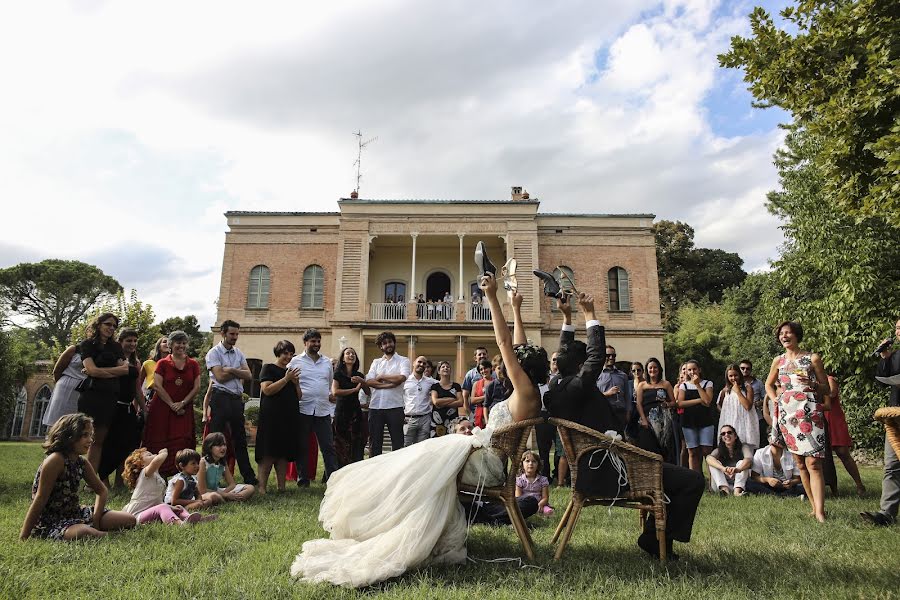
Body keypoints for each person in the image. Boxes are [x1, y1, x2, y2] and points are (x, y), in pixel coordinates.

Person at [290, 266, 548, 587]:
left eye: (515, 362)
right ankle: (391, 520)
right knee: (418, 456)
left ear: (523, 369)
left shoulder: (524, 391)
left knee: (417, 460)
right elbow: (518, 346)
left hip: (487, 467)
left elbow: (506, 343)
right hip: (483, 457)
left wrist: (493, 299)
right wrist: (518, 309)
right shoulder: (529, 390)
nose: (508, 361)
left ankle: (396, 527)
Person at [545, 294, 704, 561]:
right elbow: (595, 357)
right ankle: (656, 539)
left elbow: (567, 355)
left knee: (676, 477)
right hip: (612, 474)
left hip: (591, 470)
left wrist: (567, 319)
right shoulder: (578, 386)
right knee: (693, 480)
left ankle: (654, 534)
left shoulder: (555, 389)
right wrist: (590, 314)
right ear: (580, 366)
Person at [20, 413, 136, 540]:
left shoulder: (82, 462)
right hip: (51, 521)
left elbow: (101, 490)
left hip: (75, 513)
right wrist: (24, 536)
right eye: (85, 435)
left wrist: (96, 520)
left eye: (91, 435)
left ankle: (94, 531)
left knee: (129, 519)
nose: (90, 440)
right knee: (82, 532)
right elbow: (40, 499)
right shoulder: (55, 460)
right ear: (69, 436)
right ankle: (107, 535)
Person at [765, 320, 831, 523]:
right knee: (800, 464)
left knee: (814, 463)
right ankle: (813, 507)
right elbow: (768, 384)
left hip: (809, 412)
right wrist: (775, 398)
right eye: (781, 334)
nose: (784, 336)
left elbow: (826, 388)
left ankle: (820, 512)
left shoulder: (812, 358)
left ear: (797, 335)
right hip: (788, 415)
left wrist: (812, 384)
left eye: (788, 333)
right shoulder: (778, 360)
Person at [205, 320, 257, 486]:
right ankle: (211, 477)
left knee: (240, 439)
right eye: (232, 334)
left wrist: (231, 370)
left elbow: (248, 375)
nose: (235, 337)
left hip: (235, 399)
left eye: (236, 334)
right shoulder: (213, 353)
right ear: (223, 333)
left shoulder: (238, 353)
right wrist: (238, 372)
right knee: (216, 439)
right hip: (220, 397)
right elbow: (219, 377)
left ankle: (248, 476)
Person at [76, 313, 129, 472]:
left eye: (114, 326)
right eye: (108, 324)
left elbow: (125, 369)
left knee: (98, 440)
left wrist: (99, 372)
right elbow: (91, 370)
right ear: (98, 325)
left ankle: (90, 481)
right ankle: (71, 474)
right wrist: (110, 371)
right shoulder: (87, 345)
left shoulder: (116, 347)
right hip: (92, 395)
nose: (111, 328)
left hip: (110, 396)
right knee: (82, 437)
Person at [143, 331, 199, 477]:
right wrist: (171, 404)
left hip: (184, 410)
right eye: (177, 343)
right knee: (159, 442)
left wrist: (182, 403)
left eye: (183, 343)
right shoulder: (162, 363)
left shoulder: (193, 364)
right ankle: (156, 476)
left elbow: (196, 387)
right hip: (162, 408)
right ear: (170, 345)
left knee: (182, 441)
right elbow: (157, 385)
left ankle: (180, 477)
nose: (181, 346)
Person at [861, 317, 900, 526]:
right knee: (892, 465)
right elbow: (881, 381)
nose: (898, 331)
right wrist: (884, 356)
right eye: (897, 328)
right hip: (895, 415)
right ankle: (886, 514)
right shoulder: (894, 356)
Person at [289, 329, 338, 485]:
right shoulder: (295, 361)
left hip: (323, 410)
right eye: (313, 341)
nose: (317, 344)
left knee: (328, 446)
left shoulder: (326, 363)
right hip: (303, 409)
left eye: (318, 341)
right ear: (305, 343)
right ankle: (303, 479)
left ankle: (332, 479)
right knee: (303, 446)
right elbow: (289, 381)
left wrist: (330, 395)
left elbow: (329, 382)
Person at [98, 328, 144, 487]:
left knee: (126, 446)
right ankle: (102, 480)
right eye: (128, 341)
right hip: (111, 406)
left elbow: (138, 389)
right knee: (108, 445)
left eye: (134, 341)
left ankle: (120, 481)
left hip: (128, 408)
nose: (132, 344)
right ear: (120, 342)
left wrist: (145, 409)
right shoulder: (112, 358)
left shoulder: (136, 362)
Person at [256, 340, 302, 493]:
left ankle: (281, 487)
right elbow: (267, 390)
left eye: (291, 354)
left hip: (288, 417)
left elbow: (299, 396)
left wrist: (295, 383)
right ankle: (262, 487)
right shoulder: (268, 368)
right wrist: (286, 379)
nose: (288, 357)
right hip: (271, 417)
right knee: (268, 451)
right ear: (278, 353)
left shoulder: (291, 372)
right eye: (285, 353)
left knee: (283, 453)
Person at [121, 447, 209, 525]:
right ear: (142, 465)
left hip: (151, 512)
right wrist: (163, 453)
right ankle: (180, 524)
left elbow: (157, 501)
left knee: (178, 508)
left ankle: (193, 519)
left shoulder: (158, 478)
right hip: (137, 515)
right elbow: (157, 461)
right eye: (149, 455)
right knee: (163, 507)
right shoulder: (144, 475)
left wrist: (171, 507)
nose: (154, 454)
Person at [364, 331, 411, 456]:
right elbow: (369, 381)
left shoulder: (403, 360)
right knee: (375, 444)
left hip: (395, 407)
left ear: (394, 343)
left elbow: (401, 378)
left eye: (390, 342)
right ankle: (374, 472)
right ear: (381, 347)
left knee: (397, 443)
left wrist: (381, 376)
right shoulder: (376, 362)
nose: (388, 345)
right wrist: (390, 384)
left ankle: (397, 473)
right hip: (375, 407)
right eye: (384, 343)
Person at [824, 374, 865, 496]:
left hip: (834, 419)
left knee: (843, 452)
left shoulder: (829, 379)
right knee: (825, 457)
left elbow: (832, 394)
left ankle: (859, 485)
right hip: (820, 419)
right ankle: (833, 489)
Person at [676, 360, 715, 479]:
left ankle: (712, 481)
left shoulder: (708, 383)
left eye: (694, 369)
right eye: (689, 370)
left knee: (706, 451)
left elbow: (707, 401)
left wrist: (697, 385)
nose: (692, 372)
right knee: (692, 452)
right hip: (688, 422)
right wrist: (698, 400)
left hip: (706, 422)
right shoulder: (684, 385)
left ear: (699, 370)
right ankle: (697, 480)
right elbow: (680, 403)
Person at [331, 346, 369, 467]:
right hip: (342, 411)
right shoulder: (338, 374)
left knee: (356, 441)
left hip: (355, 412)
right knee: (341, 442)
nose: (351, 355)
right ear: (343, 358)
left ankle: (355, 468)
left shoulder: (359, 375)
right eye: (348, 353)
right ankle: (340, 468)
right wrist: (354, 389)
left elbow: (368, 392)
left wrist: (362, 382)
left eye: (353, 354)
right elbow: (335, 392)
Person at [635, 357, 677, 463]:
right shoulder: (642, 385)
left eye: (655, 367)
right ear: (647, 370)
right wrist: (643, 419)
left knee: (664, 448)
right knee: (648, 447)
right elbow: (638, 404)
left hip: (664, 422)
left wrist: (667, 404)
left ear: (659, 369)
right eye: (650, 368)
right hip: (647, 421)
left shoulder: (666, 384)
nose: (652, 370)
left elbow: (674, 402)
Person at [198, 432, 255, 502]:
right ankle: (229, 499)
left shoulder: (222, 462)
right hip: (204, 493)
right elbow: (202, 490)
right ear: (209, 448)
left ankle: (231, 499)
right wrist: (226, 495)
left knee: (250, 488)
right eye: (219, 445)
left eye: (224, 445)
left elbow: (232, 484)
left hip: (217, 491)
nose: (223, 448)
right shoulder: (203, 462)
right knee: (214, 496)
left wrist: (225, 493)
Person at [717, 364, 759, 453]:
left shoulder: (748, 388)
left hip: (745, 423)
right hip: (731, 422)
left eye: (735, 375)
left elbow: (748, 406)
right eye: (730, 376)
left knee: (746, 449)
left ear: (740, 375)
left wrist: (738, 392)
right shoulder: (725, 390)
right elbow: (719, 404)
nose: (733, 378)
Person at [42, 344, 86, 428]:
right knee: (59, 423)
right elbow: (57, 370)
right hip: (66, 388)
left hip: (84, 391)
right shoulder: (74, 349)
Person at [707, 426, 753, 496]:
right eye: (723, 434)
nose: (726, 435)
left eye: (729, 432)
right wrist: (723, 469)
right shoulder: (719, 450)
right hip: (720, 484)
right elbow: (708, 458)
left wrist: (737, 469)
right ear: (722, 438)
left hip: (740, 484)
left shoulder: (743, 447)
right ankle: (725, 490)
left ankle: (737, 492)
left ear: (735, 436)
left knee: (742, 462)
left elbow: (749, 460)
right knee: (713, 463)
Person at [403, 356, 437, 446]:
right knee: (405, 448)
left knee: (422, 448)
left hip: (425, 419)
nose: (421, 364)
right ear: (413, 363)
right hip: (408, 419)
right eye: (419, 362)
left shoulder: (431, 382)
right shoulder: (405, 380)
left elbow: (443, 386)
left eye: (424, 363)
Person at [596, 344, 630, 427]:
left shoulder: (623, 375)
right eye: (608, 355)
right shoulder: (596, 375)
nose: (611, 357)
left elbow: (627, 396)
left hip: (620, 413)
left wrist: (628, 413)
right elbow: (593, 396)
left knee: (620, 438)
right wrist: (607, 393)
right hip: (604, 412)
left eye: (613, 355)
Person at [430, 361, 464, 437]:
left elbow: (461, 402)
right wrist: (452, 399)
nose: (446, 368)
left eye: (448, 367)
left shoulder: (456, 386)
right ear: (439, 371)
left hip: (453, 419)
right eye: (443, 367)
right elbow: (435, 402)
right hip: (437, 421)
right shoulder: (435, 386)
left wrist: (442, 402)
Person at [739, 360, 768, 448]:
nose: (745, 370)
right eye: (742, 368)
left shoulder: (758, 383)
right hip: (741, 418)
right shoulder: (734, 383)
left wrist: (758, 403)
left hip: (757, 417)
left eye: (748, 369)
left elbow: (766, 398)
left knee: (759, 443)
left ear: (751, 370)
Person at [517, 450, 552, 515]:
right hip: (525, 505)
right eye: (527, 461)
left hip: (540, 504)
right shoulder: (519, 480)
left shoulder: (543, 480)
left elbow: (545, 497)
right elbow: (518, 498)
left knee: (549, 512)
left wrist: (540, 505)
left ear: (538, 465)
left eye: (534, 461)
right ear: (522, 464)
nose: (530, 463)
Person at [141, 336, 169, 402]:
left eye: (169, 342)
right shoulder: (148, 363)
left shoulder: (175, 365)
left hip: (169, 397)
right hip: (151, 397)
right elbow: (138, 387)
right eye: (165, 342)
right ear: (159, 346)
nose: (167, 344)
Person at [470, 360, 494, 429]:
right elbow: (472, 400)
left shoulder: (496, 382)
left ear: (490, 368)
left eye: (485, 368)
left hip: (492, 412)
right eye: (481, 369)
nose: (483, 371)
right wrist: (486, 396)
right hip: (479, 413)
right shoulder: (476, 384)